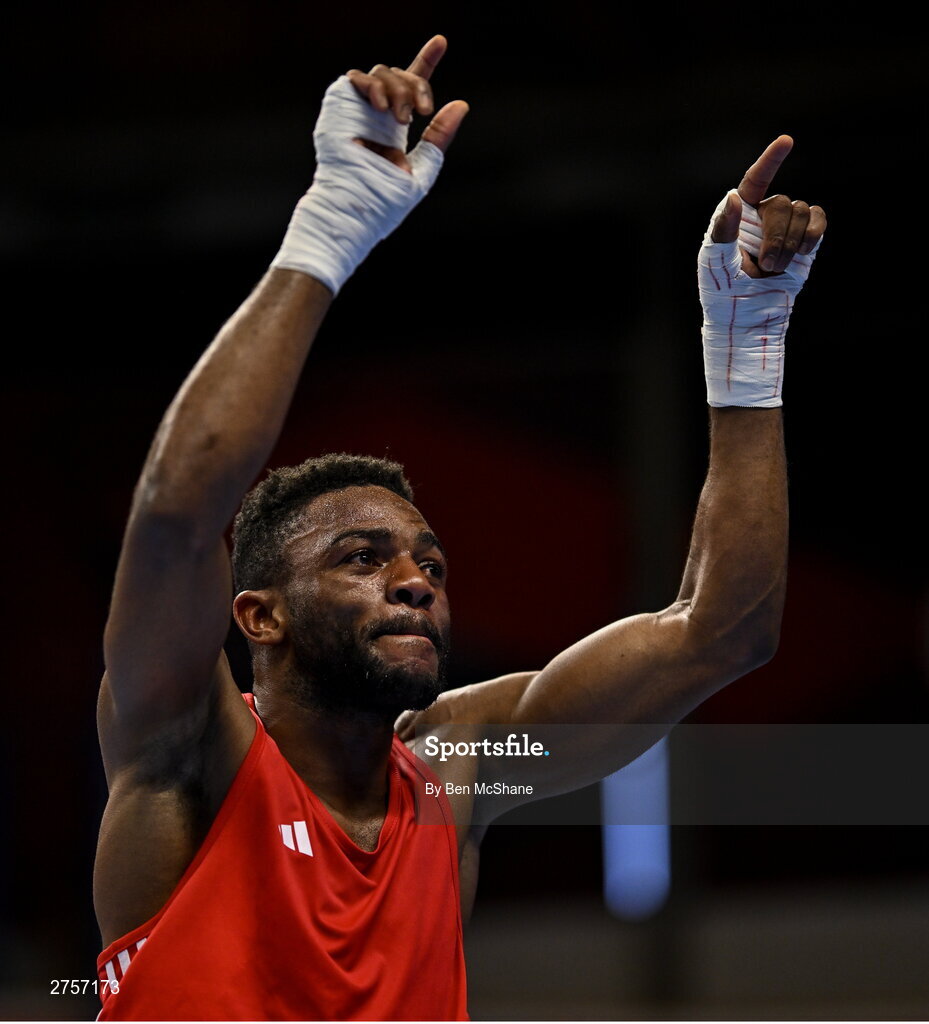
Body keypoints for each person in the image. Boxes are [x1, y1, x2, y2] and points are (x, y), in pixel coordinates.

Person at [93, 34, 826, 1021]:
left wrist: (745, 347)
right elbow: (178, 515)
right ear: (256, 616)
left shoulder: (460, 765)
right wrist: (330, 226)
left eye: (427, 562)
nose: (415, 580)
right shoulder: (186, 745)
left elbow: (721, 629)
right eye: (362, 558)